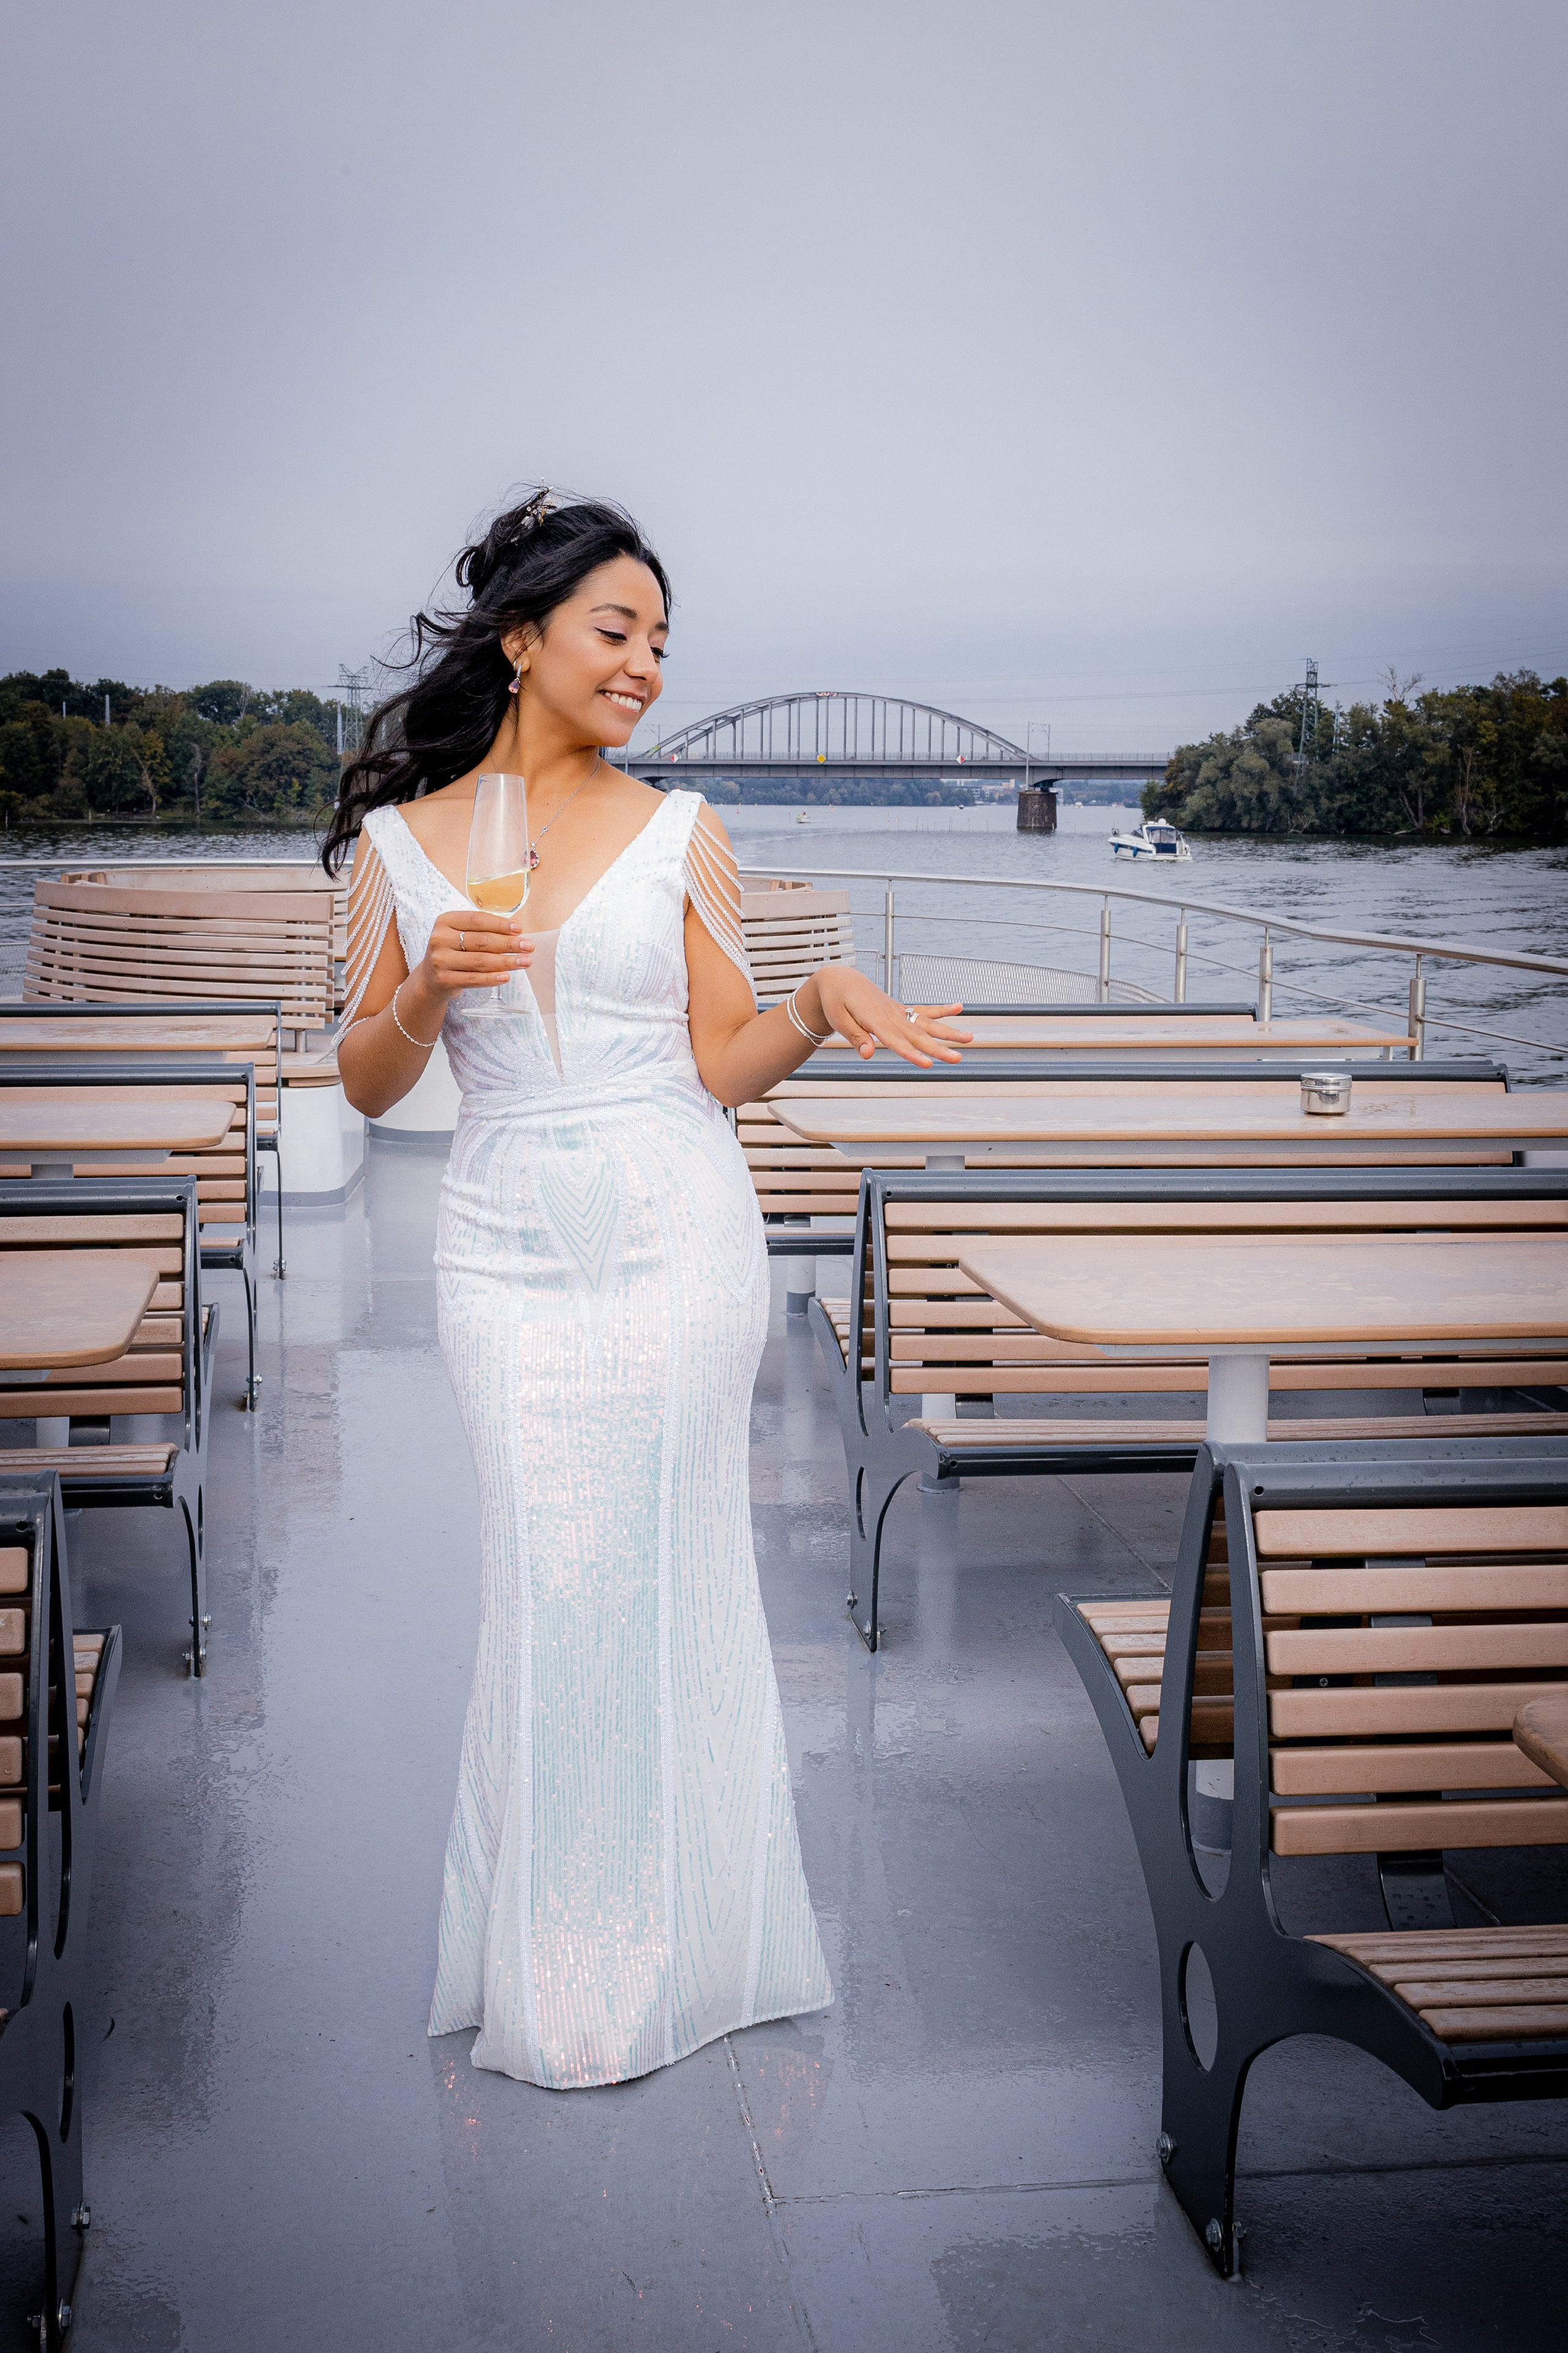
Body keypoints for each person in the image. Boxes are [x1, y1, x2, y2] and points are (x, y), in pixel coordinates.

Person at [325, 490, 969, 2090]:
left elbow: (720, 1064)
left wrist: (817, 1001)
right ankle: (558, 1959)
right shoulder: (402, 848)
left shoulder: (685, 829)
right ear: (523, 636)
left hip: (680, 1223)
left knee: (665, 1569)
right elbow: (363, 1076)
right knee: (554, 1571)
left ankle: (689, 1945)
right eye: (619, 632)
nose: (647, 668)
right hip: (500, 1242)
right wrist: (418, 987)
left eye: (664, 645)